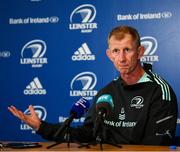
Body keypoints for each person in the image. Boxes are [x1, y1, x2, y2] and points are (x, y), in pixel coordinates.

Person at [8, 25, 178, 145]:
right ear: (109, 54)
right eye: (116, 51)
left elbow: (156, 146)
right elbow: (87, 134)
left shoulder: (160, 91)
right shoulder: (106, 93)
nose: (122, 58)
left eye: (127, 50)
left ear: (140, 52)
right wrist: (42, 127)